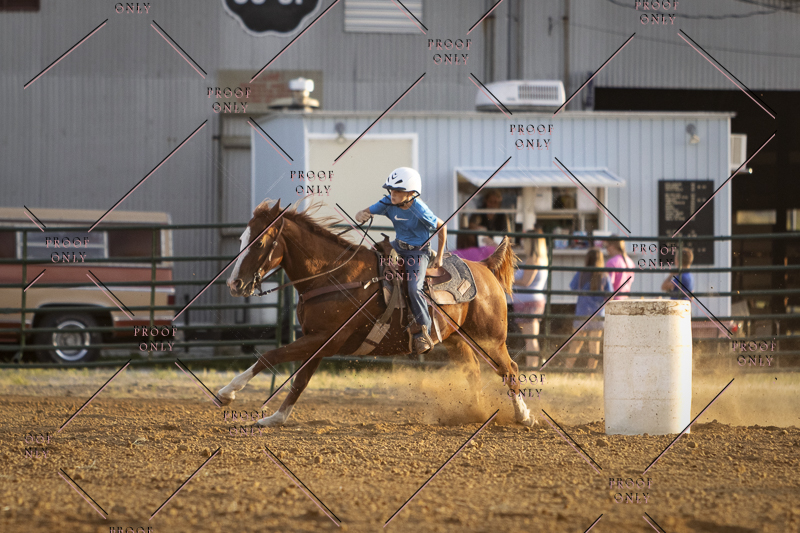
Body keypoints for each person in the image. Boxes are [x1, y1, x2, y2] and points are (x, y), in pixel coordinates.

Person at [355, 167, 447, 354]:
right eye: (391, 190)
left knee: (414, 288)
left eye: (398, 191)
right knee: (369, 260)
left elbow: (442, 226)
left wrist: (440, 256)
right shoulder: (387, 202)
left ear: (411, 194)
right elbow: (364, 212)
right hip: (397, 246)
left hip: (417, 252)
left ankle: (423, 331)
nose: (393, 194)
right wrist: (361, 215)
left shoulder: (420, 209)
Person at [566, 247, 613, 369]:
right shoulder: (604, 275)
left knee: (576, 344)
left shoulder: (581, 273)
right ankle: (591, 372)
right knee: (594, 345)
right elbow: (610, 295)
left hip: (582, 312)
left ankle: (566, 370)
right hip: (597, 314)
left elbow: (573, 287)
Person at [512, 229, 549, 367]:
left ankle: (531, 369)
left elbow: (526, 282)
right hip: (530, 302)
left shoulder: (533, 259)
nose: (523, 244)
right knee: (531, 338)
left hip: (528, 303)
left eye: (526, 241)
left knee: (530, 340)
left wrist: (507, 280)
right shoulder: (540, 259)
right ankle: (532, 368)